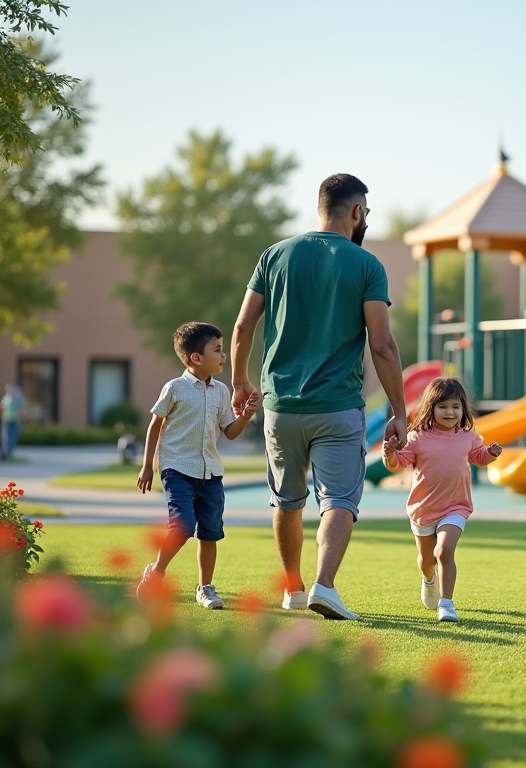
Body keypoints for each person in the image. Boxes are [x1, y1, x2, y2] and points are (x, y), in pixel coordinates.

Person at [230, 173, 407, 621]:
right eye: (365, 211)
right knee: (340, 500)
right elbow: (382, 345)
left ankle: (293, 589)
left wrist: (239, 381)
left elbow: (242, 326)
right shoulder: (367, 266)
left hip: (280, 406)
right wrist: (399, 412)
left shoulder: (274, 255)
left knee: (286, 500)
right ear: (356, 211)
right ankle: (324, 587)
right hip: (338, 407)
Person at [135, 322, 260, 609]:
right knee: (182, 526)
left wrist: (246, 416)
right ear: (196, 358)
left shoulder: (220, 392)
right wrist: (147, 466)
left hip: (211, 473)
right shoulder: (175, 388)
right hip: (176, 468)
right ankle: (156, 573)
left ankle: (205, 588)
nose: (224, 356)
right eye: (217, 350)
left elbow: (229, 431)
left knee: (210, 532)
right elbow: (155, 426)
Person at [383, 376, 501, 622]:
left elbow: (478, 457)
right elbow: (397, 465)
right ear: (431, 407)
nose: (450, 412)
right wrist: (390, 454)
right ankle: (428, 579)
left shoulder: (467, 436)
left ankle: (446, 604)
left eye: (456, 407)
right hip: (423, 509)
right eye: (443, 406)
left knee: (444, 550)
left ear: (463, 409)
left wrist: (490, 453)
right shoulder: (417, 437)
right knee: (427, 560)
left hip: (456, 506)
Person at [1, 383, 27, 460]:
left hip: (15, 420)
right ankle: (5, 452)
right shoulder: (6, 398)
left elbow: (23, 408)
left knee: (12, 437)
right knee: (5, 437)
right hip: (6, 420)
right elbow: (2, 407)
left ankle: (9, 452)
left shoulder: (19, 398)